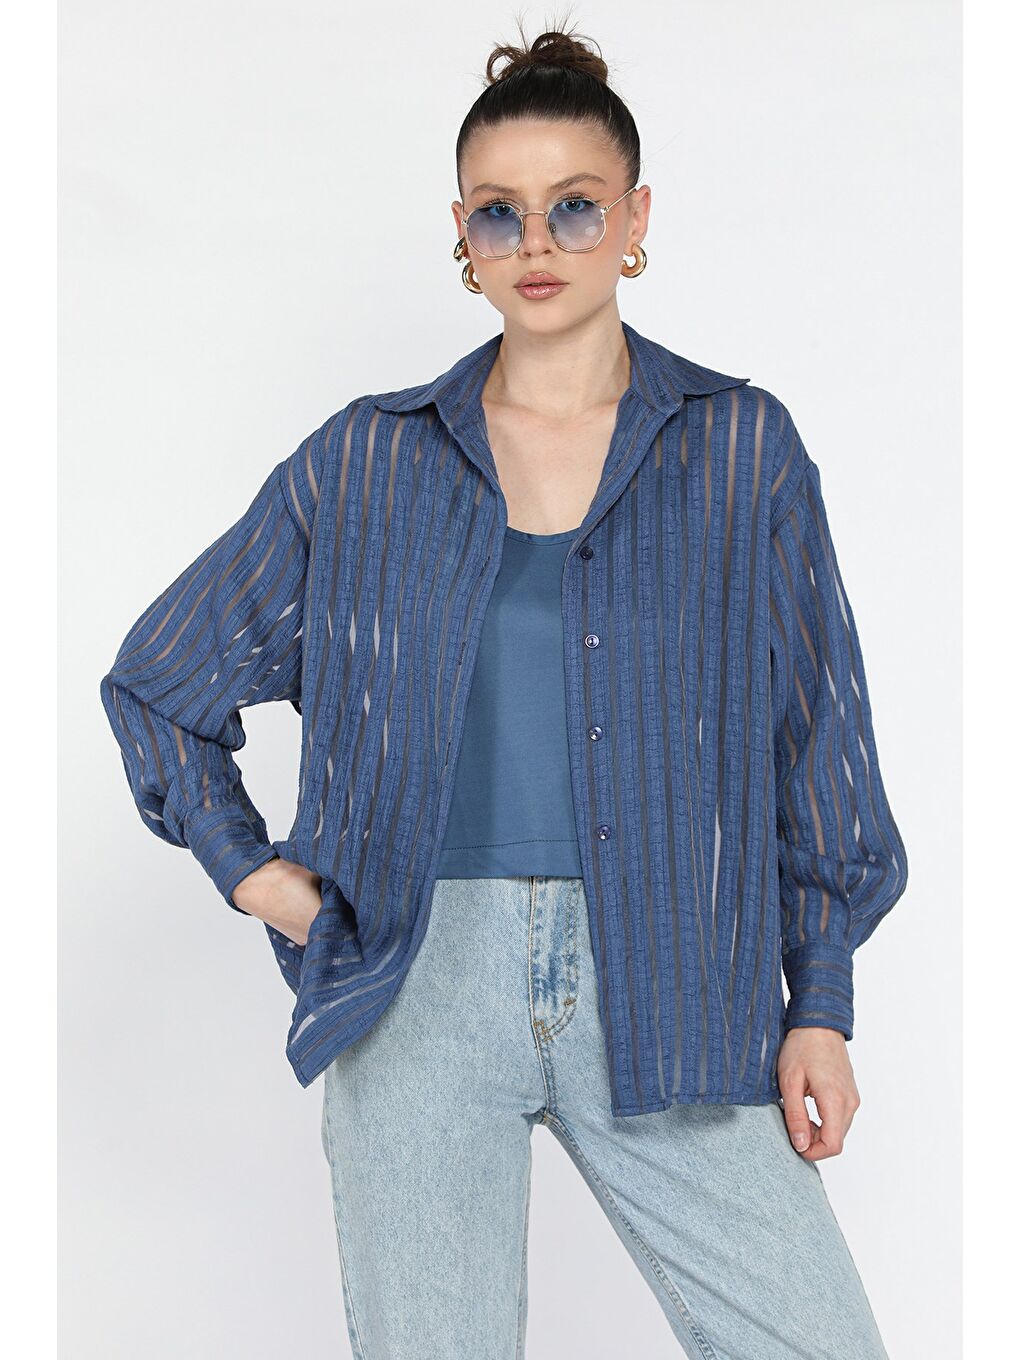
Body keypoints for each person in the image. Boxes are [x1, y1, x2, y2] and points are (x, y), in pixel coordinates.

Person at [99, 20, 908, 1360]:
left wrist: (819, 1003)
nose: (537, 242)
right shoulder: (366, 465)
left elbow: (819, 743)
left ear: (634, 221)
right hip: (417, 980)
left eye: (575, 207)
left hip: (677, 972)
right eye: (499, 213)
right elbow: (159, 683)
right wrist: (260, 879)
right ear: (462, 237)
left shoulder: (740, 451)